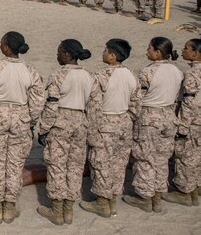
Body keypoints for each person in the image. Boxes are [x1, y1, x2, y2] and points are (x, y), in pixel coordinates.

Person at [0, 32, 44, 224]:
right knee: (15, 164)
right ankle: (10, 206)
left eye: (1, 43)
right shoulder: (30, 70)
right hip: (21, 118)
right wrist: (30, 122)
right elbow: (38, 101)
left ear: (6, 48)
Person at [37, 39, 100, 226]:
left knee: (57, 165)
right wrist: (92, 130)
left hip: (61, 121)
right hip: (81, 122)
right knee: (75, 166)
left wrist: (43, 129)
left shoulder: (58, 75)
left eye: (59, 52)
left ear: (65, 54)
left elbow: (51, 105)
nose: (57, 56)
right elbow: (95, 107)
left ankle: (57, 211)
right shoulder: (90, 76)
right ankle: (69, 210)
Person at [124, 37, 183, 213]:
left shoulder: (147, 72)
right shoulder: (177, 71)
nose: (146, 51)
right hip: (168, 116)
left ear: (158, 52)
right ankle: (157, 196)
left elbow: (137, 98)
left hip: (150, 117)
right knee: (162, 159)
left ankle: (145, 197)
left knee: (144, 158)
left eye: (149, 48)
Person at [80, 39, 137, 217]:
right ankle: (112, 199)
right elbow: (136, 103)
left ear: (113, 56)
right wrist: (128, 118)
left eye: (106, 51)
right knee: (119, 163)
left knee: (101, 162)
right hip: (124, 122)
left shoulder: (101, 76)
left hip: (105, 122)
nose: (103, 53)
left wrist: (91, 127)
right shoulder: (131, 75)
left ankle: (102, 203)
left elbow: (94, 105)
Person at [164, 38, 201, 206]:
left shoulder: (193, 74)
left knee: (185, 156)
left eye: (187, 48)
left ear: (196, 53)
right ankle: (195, 188)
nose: (183, 50)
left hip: (192, 122)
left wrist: (183, 127)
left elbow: (188, 102)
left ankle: (184, 192)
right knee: (197, 156)